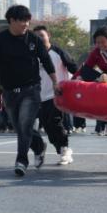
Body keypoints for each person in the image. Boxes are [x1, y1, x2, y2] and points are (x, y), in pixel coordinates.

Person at [0, 5, 58, 177]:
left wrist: (55, 82)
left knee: (25, 124)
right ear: (11, 21)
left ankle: (21, 160)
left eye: (27, 20)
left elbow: (46, 61)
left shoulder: (34, 39)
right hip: (9, 91)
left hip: (31, 89)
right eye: (22, 21)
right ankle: (39, 145)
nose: (26, 24)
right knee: (19, 126)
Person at [33, 25, 78, 165]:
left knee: (55, 123)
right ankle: (57, 148)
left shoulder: (58, 52)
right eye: (36, 37)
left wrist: (79, 83)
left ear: (48, 35)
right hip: (38, 96)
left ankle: (65, 149)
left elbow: (74, 68)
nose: (39, 39)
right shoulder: (32, 55)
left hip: (56, 95)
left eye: (42, 35)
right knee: (45, 126)